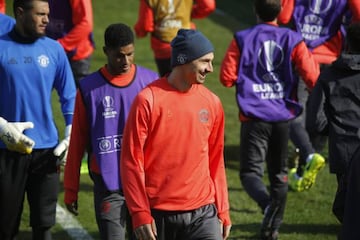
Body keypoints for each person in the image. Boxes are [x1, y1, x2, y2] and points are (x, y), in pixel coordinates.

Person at [219, 0, 319, 238]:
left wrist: (248, 82)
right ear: (282, 11)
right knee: (279, 175)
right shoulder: (293, 39)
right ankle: (271, 230)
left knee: (250, 174)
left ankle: (267, 207)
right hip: (282, 117)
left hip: (254, 117)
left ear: (254, 10)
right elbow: (313, 76)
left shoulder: (243, 38)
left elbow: (225, 77)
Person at [120, 29, 232, 240]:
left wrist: (223, 209)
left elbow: (216, 161)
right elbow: (131, 161)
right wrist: (139, 212)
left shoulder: (213, 103)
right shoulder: (148, 100)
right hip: (158, 215)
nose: (210, 69)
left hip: (203, 212)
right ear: (184, 60)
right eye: (205, 61)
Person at [63, 23, 159, 240]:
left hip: (144, 184)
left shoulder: (151, 82)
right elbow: (77, 141)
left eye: (130, 54)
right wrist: (71, 188)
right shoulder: (88, 89)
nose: (125, 61)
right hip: (108, 185)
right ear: (105, 51)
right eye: (119, 56)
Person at [0, 0, 76, 239]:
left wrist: (70, 130)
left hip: (46, 152)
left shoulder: (54, 50)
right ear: (20, 13)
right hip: (5, 151)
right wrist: (1, 127)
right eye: (40, 14)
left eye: (48, 14)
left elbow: (69, 95)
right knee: (4, 226)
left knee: (44, 226)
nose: (47, 20)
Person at [278, 0, 360, 192]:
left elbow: (283, 17)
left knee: (293, 111)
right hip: (331, 58)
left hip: (303, 56)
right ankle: (308, 161)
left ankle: (307, 157)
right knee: (325, 113)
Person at [306, 22, 360, 240]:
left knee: (348, 213)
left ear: (346, 44)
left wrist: (338, 130)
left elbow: (315, 122)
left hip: (344, 153)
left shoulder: (329, 76)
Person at [134, 0, 216, 76]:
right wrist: (189, 14)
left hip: (163, 47)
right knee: (190, 81)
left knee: (168, 84)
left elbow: (145, 26)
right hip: (188, 45)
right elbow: (208, 5)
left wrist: (139, 33)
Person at [46, 0, 95, 87]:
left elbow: (85, 24)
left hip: (76, 56)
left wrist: (60, 45)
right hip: (51, 51)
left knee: (78, 96)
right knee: (37, 91)